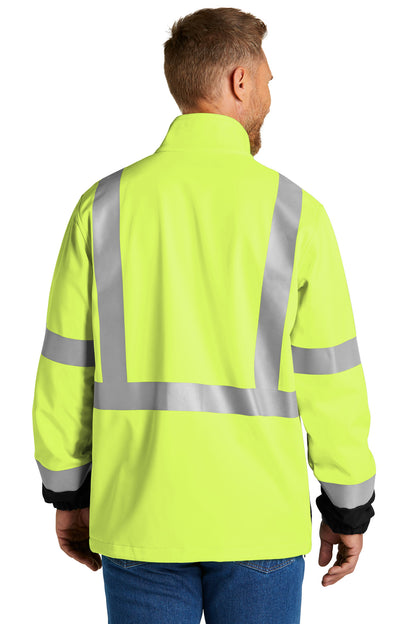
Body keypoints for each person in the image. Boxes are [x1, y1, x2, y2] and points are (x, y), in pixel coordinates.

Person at [32, 7, 376, 624]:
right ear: (240, 80)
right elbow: (331, 380)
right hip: (259, 522)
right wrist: (347, 506)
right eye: (267, 78)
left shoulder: (102, 207)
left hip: (139, 515)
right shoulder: (297, 215)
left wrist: (67, 491)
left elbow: (66, 368)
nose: (270, 91)